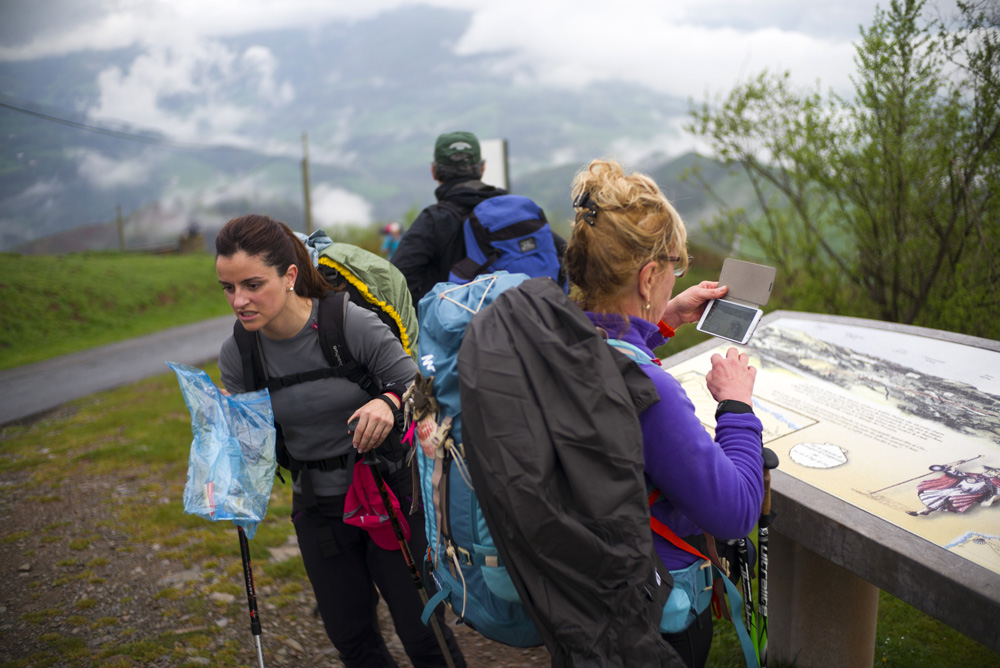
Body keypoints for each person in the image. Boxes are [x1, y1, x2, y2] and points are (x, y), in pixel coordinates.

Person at [214, 214, 466, 668]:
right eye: (228, 288)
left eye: (252, 285)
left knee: (425, 635)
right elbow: (250, 450)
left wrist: (389, 403)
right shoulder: (240, 353)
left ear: (290, 275)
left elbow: (424, 391)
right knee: (352, 640)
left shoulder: (349, 324)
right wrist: (223, 441)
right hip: (317, 510)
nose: (240, 300)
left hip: (390, 496)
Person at [563, 160, 765, 668]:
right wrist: (736, 405)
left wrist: (664, 315)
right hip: (653, 618)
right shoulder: (650, 392)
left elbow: (614, 342)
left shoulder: (561, 339)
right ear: (649, 275)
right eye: (672, 267)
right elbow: (736, 511)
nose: (676, 276)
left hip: (578, 597)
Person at [390, 131, 507, 304]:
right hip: (519, 322)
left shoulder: (433, 221)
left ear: (434, 171)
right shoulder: (514, 211)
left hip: (457, 327)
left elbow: (395, 281)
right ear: (482, 168)